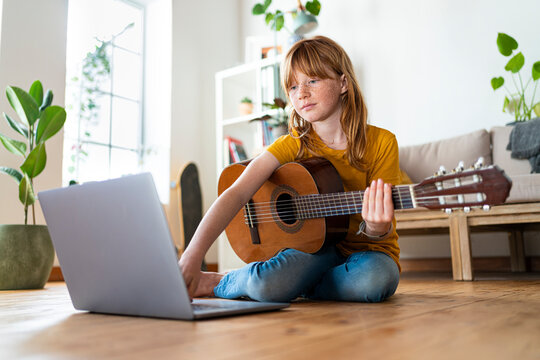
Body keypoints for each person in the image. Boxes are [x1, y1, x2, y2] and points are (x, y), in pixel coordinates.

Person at [179, 36, 401, 303]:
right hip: (311, 250)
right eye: (293, 86)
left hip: (368, 254)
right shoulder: (291, 145)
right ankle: (225, 281)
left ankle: (292, 285)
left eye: (312, 81)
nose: (301, 93)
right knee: (265, 286)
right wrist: (192, 254)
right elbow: (237, 193)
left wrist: (377, 226)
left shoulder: (382, 142)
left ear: (343, 83)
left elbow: (380, 230)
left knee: (374, 280)